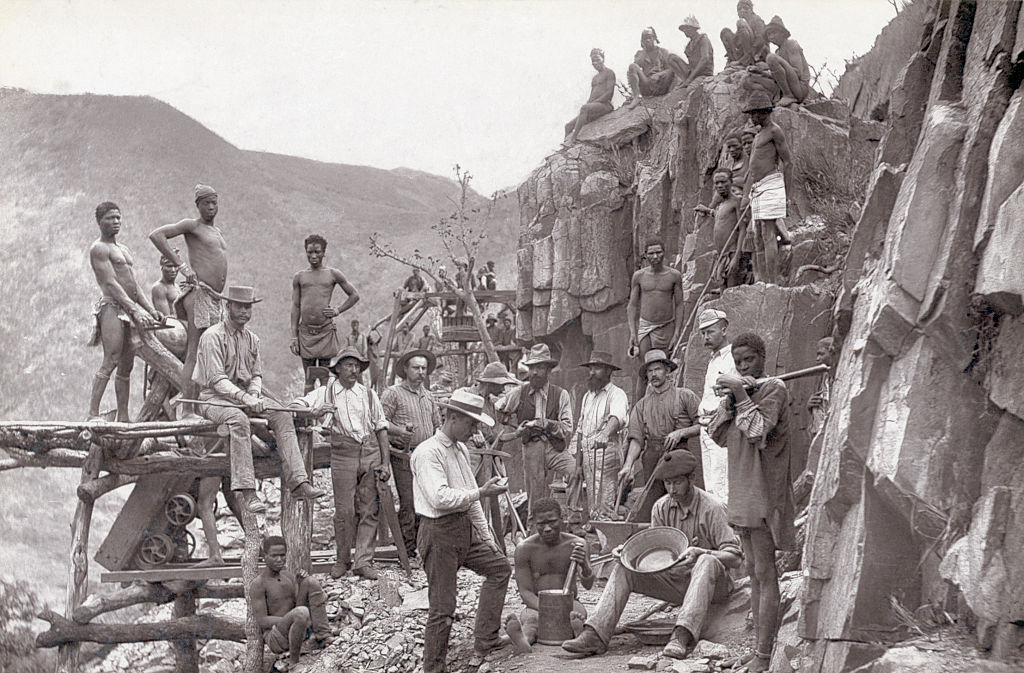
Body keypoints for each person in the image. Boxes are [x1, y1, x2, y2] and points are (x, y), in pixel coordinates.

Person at [562, 450, 741, 659]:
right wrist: (627, 554)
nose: (672, 489)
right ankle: (595, 634)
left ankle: (682, 635)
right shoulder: (661, 507)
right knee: (623, 568)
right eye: (667, 484)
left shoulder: (713, 508)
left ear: (692, 479)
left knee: (706, 561)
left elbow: (735, 557)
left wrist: (702, 551)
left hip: (715, 587)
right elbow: (655, 554)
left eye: (677, 483)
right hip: (678, 582)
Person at [192, 286, 323, 515]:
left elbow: (256, 375)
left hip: (244, 396)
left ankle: (299, 482)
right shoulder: (212, 337)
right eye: (239, 306)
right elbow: (216, 380)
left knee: (282, 415)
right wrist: (245, 399)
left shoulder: (252, 339)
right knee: (238, 419)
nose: (244, 311)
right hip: (214, 399)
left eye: (248, 307)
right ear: (227, 306)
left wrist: (253, 394)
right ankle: (248, 491)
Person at [709, 332, 796, 673]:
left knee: (764, 571)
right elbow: (716, 435)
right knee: (751, 573)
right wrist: (729, 400)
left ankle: (763, 654)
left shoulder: (774, 389)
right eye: (739, 362)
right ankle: (755, 649)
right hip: (742, 491)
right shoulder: (745, 394)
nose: (745, 366)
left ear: (763, 357)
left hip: (763, 493)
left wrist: (742, 392)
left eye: (750, 360)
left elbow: (758, 431)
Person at [411, 389, 512, 673]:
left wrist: (487, 537)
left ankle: (487, 638)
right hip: (438, 532)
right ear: (453, 417)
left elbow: (472, 500)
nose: (475, 430)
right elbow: (439, 498)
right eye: (471, 423)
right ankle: (434, 667)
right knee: (443, 607)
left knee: (500, 568)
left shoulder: (460, 449)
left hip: (462, 529)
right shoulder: (427, 452)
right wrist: (481, 491)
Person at [291, 346, 391, 580]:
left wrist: (385, 462)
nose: (354, 370)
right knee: (344, 511)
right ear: (338, 369)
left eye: (357, 366)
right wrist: (316, 411)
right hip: (343, 453)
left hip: (369, 451)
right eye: (349, 365)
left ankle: (363, 562)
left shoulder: (368, 394)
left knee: (370, 508)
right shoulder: (325, 392)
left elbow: (381, 427)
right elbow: (295, 406)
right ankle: (342, 559)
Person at [149, 185, 228, 417]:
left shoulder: (218, 232)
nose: (211, 207)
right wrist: (182, 267)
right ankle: (187, 409)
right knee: (194, 351)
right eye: (206, 203)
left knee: (211, 351)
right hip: (198, 294)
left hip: (214, 299)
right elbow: (157, 235)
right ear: (198, 205)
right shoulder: (192, 226)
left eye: (214, 202)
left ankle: (206, 403)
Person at [88, 202, 162, 421]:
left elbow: (134, 286)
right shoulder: (99, 248)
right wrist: (134, 310)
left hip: (130, 309)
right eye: (110, 218)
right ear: (99, 221)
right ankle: (92, 413)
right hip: (111, 306)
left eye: (118, 218)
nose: (116, 222)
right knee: (111, 358)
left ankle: (123, 416)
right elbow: (110, 282)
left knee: (126, 365)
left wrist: (150, 309)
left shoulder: (124, 249)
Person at [618, 350, 701, 521]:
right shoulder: (641, 405)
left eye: (657, 369)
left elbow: (704, 424)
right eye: (649, 371)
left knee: (683, 498)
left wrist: (681, 432)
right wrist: (627, 465)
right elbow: (636, 439)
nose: (653, 374)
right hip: (652, 457)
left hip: (679, 454)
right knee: (655, 503)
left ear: (667, 371)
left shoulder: (685, 396)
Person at [496, 343, 574, 520]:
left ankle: (573, 520)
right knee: (536, 492)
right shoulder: (519, 392)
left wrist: (546, 424)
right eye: (531, 368)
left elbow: (567, 428)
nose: (534, 373)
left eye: (539, 367)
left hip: (555, 447)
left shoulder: (561, 394)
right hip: (532, 447)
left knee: (574, 472)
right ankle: (534, 529)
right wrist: (516, 426)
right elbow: (499, 409)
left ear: (548, 370)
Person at [506, 498, 594, 652]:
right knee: (531, 621)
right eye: (541, 524)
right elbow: (525, 592)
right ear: (533, 523)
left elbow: (588, 584)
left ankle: (580, 635)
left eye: (552, 522)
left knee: (576, 615)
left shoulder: (577, 544)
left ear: (562, 520)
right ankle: (523, 641)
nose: (547, 528)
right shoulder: (524, 549)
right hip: (536, 605)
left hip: (569, 603)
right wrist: (548, 609)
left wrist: (584, 564)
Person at [381, 349, 441, 559]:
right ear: (405, 369)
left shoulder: (429, 396)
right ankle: (405, 551)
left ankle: (422, 547)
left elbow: (437, 427)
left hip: (427, 458)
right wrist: (399, 432)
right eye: (416, 368)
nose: (421, 372)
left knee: (427, 500)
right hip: (403, 456)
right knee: (409, 503)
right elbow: (379, 421)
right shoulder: (393, 393)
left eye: (424, 368)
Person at [290, 234, 360, 392]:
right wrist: (294, 336)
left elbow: (354, 295)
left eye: (317, 252)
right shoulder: (299, 277)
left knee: (324, 378)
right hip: (306, 333)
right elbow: (295, 306)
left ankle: (324, 414)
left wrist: (337, 310)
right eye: (310, 252)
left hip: (325, 332)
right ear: (305, 252)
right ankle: (307, 415)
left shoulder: (333, 274)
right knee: (309, 379)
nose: (313, 256)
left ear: (324, 252)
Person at [250, 536, 332, 665]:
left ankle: (323, 635)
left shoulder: (287, 576)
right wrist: (288, 620)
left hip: (296, 627)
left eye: (282, 555)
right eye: (274, 556)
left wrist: (300, 584)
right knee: (301, 613)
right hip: (276, 636)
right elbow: (262, 620)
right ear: (264, 557)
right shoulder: (259, 583)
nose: (279, 560)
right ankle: (294, 663)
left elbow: (295, 604)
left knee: (311, 582)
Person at [740, 92, 793, 284]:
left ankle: (773, 281)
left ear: (764, 112)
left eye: (754, 114)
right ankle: (763, 279)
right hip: (758, 187)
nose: (752, 117)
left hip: (771, 183)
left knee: (769, 234)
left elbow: (788, 162)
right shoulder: (759, 134)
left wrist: (787, 193)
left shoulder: (774, 131)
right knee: (759, 235)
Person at [576, 352, 629, 516]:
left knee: (605, 499)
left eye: (597, 368)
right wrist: (578, 463)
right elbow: (580, 429)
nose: (592, 372)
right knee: (593, 498)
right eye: (590, 368)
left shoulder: (617, 394)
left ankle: (606, 530)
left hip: (607, 454)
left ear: (608, 371)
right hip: (588, 456)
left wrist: (605, 434)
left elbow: (617, 417)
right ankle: (595, 528)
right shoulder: (587, 397)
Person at [696, 309, 738, 502]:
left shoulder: (732, 358)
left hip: (721, 427)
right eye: (703, 333)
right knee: (711, 486)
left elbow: (733, 395)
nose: (706, 337)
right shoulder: (712, 360)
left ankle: (728, 531)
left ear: (724, 329)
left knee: (723, 486)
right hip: (705, 427)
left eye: (710, 331)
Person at [627, 239, 685, 362]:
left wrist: (676, 332)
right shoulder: (639, 276)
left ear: (664, 252)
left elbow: (679, 304)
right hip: (645, 326)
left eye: (658, 252)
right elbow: (632, 305)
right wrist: (633, 332)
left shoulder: (674, 275)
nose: (655, 256)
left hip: (666, 326)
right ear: (645, 255)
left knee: (664, 364)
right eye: (651, 253)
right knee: (644, 364)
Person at [695, 170, 750, 288]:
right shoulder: (721, 204)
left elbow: (742, 229)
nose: (720, 186)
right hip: (721, 254)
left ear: (731, 182)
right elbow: (722, 217)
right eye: (717, 183)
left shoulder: (736, 201)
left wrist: (736, 256)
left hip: (732, 253)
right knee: (722, 288)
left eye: (723, 182)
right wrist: (707, 210)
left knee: (731, 290)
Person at [564, 48, 616, 145]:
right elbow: (591, 96)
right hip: (594, 107)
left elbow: (609, 93)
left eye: (597, 59)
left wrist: (592, 104)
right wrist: (589, 104)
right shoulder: (595, 78)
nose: (595, 63)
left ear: (603, 58)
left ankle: (573, 139)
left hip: (605, 105)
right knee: (568, 126)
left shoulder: (609, 73)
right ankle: (566, 146)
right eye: (593, 61)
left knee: (585, 108)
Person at [764, 16, 810, 107]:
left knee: (771, 58)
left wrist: (775, 72)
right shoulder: (777, 52)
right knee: (750, 77)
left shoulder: (791, 44)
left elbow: (798, 72)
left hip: (799, 88)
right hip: (786, 86)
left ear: (782, 33)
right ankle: (775, 98)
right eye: (769, 34)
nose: (771, 36)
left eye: (774, 32)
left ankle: (788, 95)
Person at [626, 27, 676, 109]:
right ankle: (636, 97)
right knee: (632, 66)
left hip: (660, 85)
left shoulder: (663, 52)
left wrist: (659, 74)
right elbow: (632, 72)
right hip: (647, 85)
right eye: (645, 38)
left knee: (671, 69)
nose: (648, 40)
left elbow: (671, 69)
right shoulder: (640, 54)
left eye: (650, 37)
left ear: (655, 38)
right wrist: (643, 52)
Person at [669, 16, 714, 89]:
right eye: (683, 29)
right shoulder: (689, 45)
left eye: (686, 28)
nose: (684, 31)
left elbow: (705, 59)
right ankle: (685, 81)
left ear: (693, 28)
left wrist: (690, 79)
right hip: (693, 73)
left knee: (691, 89)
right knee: (671, 57)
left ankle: (688, 82)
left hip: (703, 74)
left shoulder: (703, 39)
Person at [721, 0, 769, 66]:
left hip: (758, 53)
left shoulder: (756, 20)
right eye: (739, 9)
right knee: (725, 32)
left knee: (740, 23)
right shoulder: (743, 26)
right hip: (745, 52)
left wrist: (752, 53)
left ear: (751, 10)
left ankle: (746, 60)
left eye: (745, 8)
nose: (742, 10)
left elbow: (761, 39)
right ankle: (733, 59)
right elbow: (738, 41)